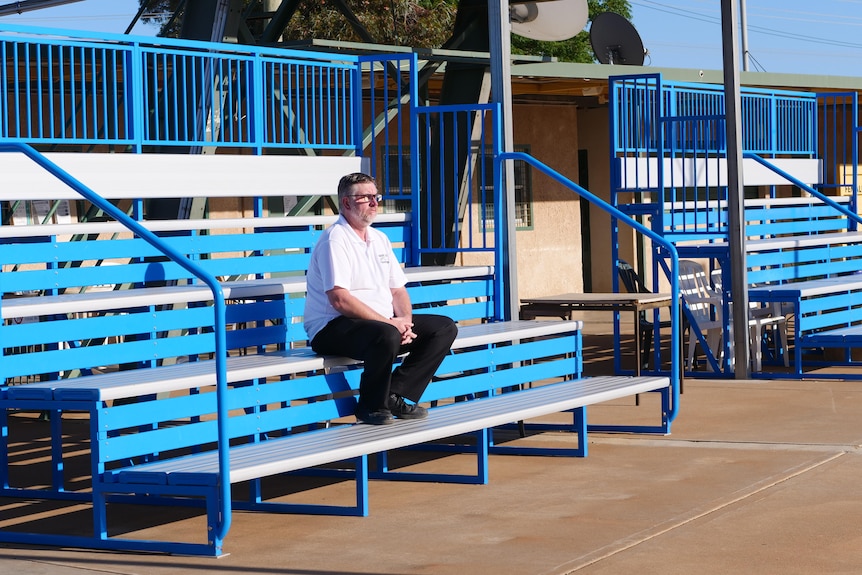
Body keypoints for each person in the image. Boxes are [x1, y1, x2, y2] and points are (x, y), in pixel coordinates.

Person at [304, 173, 458, 425]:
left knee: (443, 328)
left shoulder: (380, 239)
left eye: (376, 196)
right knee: (385, 334)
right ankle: (369, 406)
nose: (374, 203)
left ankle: (393, 393)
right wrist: (391, 324)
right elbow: (340, 300)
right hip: (331, 327)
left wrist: (405, 321)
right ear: (346, 203)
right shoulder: (335, 240)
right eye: (365, 197)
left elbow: (397, 290)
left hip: (378, 325)